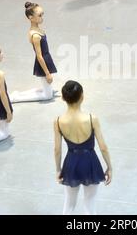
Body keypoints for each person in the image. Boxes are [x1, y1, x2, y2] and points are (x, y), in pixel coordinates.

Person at [54, 80, 112, 215]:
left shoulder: (58, 121)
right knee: (90, 203)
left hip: (71, 162)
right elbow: (103, 147)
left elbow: (57, 150)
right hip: (90, 162)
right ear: (82, 96)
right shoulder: (92, 119)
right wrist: (109, 167)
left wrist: (58, 170)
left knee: (69, 203)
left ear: (63, 98)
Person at [9, 2, 57, 103]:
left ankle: (19, 94)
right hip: (42, 61)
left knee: (49, 90)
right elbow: (39, 56)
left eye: (42, 14)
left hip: (46, 58)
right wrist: (47, 73)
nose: (42, 17)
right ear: (31, 17)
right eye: (39, 15)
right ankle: (16, 98)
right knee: (48, 96)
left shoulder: (37, 29)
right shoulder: (35, 35)